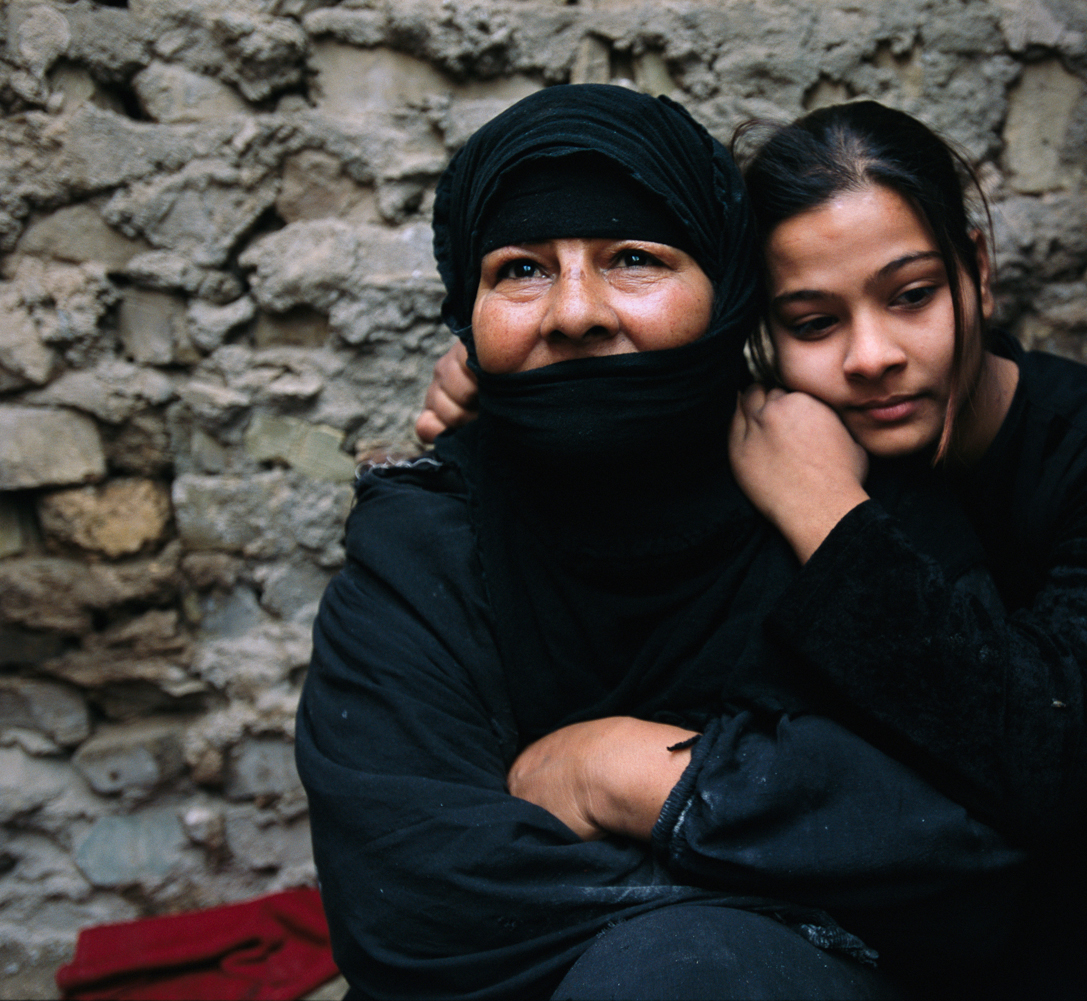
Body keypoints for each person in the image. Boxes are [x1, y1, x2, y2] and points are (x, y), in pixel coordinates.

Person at [419, 99, 1087, 997]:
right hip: (1027, 939)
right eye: (813, 319)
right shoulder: (772, 426)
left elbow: (1040, 753)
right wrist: (505, 398)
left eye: (909, 294)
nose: (872, 355)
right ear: (756, 329)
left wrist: (827, 515)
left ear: (975, 273)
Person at [298, 84, 1024, 1001]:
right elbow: (411, 902)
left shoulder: (846, 496)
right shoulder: (423, 539)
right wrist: (792, 844)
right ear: (466, 311)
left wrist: (621, 778)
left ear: (728, 293)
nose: (574, 312)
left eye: (634, 258)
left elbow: (964, 834)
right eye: (519, 269)